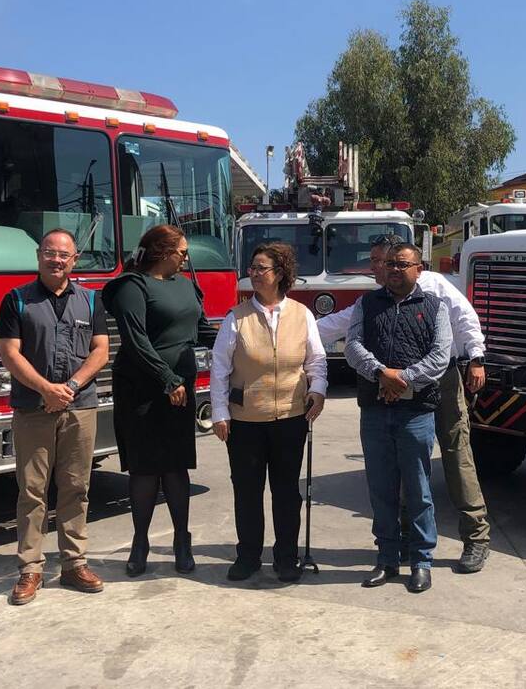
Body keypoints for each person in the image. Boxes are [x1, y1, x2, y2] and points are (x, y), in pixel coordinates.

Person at [319, 234, 493, 573]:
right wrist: (294, 330)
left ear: (403, 260)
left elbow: (465, 319)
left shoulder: (435, 287)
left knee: (456, 455)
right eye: (378, 263)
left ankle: (476, 537)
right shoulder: (372, 301)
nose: (375, 268)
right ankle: (402, 540)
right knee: (400, 463)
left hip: (440, 380)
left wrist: (476, 357)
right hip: (386, 382)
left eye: (380, 261)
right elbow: (338, 325)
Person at [0, 228, 110, 605]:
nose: (56, 260)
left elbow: (100, 351)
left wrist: (71, 387)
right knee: (32, 491)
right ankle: (30, 569)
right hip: (33, 408)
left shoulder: (92, 301)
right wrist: (47, 389)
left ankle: (74, 563)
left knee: (77, 486)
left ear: (74, 260)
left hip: (80, 406)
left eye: (64, 255)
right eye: (50, 253)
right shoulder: (16, 301)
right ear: (39, 256)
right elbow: (10, 353)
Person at [103, 224, 219, 575]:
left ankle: (182, 540)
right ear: (161, 251)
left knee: (176, 465)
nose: (187, 257)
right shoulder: (132, 287)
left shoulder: (186, 286)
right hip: (141, 390)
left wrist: (237, 340)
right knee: (144, 468)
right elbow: (136, 341)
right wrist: (167, 379)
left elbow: (200, 330)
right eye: (182, 251)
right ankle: (141, 542)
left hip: (178, 390)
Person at [209, 242, 328, 582]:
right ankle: (247, 556)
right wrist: (220, 412)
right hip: (245, 422)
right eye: (252, 267)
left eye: (262, 268)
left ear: (280, 274)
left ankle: (286, 557)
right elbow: (220, 368)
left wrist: (317, 391)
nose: (254, 273)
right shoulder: (237, 318)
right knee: (247, 491)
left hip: (290, 419)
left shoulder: (302, 315)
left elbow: (316, 360)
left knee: (287, 492)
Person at [345, 242, 452, 594]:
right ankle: (387, 559)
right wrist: (380, 373)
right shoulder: (366, 303)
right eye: (389, 263)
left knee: (419, 490)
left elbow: (440, 357)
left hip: (414, 413)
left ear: (418, 268)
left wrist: (402, 378)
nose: (393, 269)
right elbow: (352, 346)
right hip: (375, 411)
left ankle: (421, 562)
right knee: (381, 490)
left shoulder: (434, 307)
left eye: (402, 264)